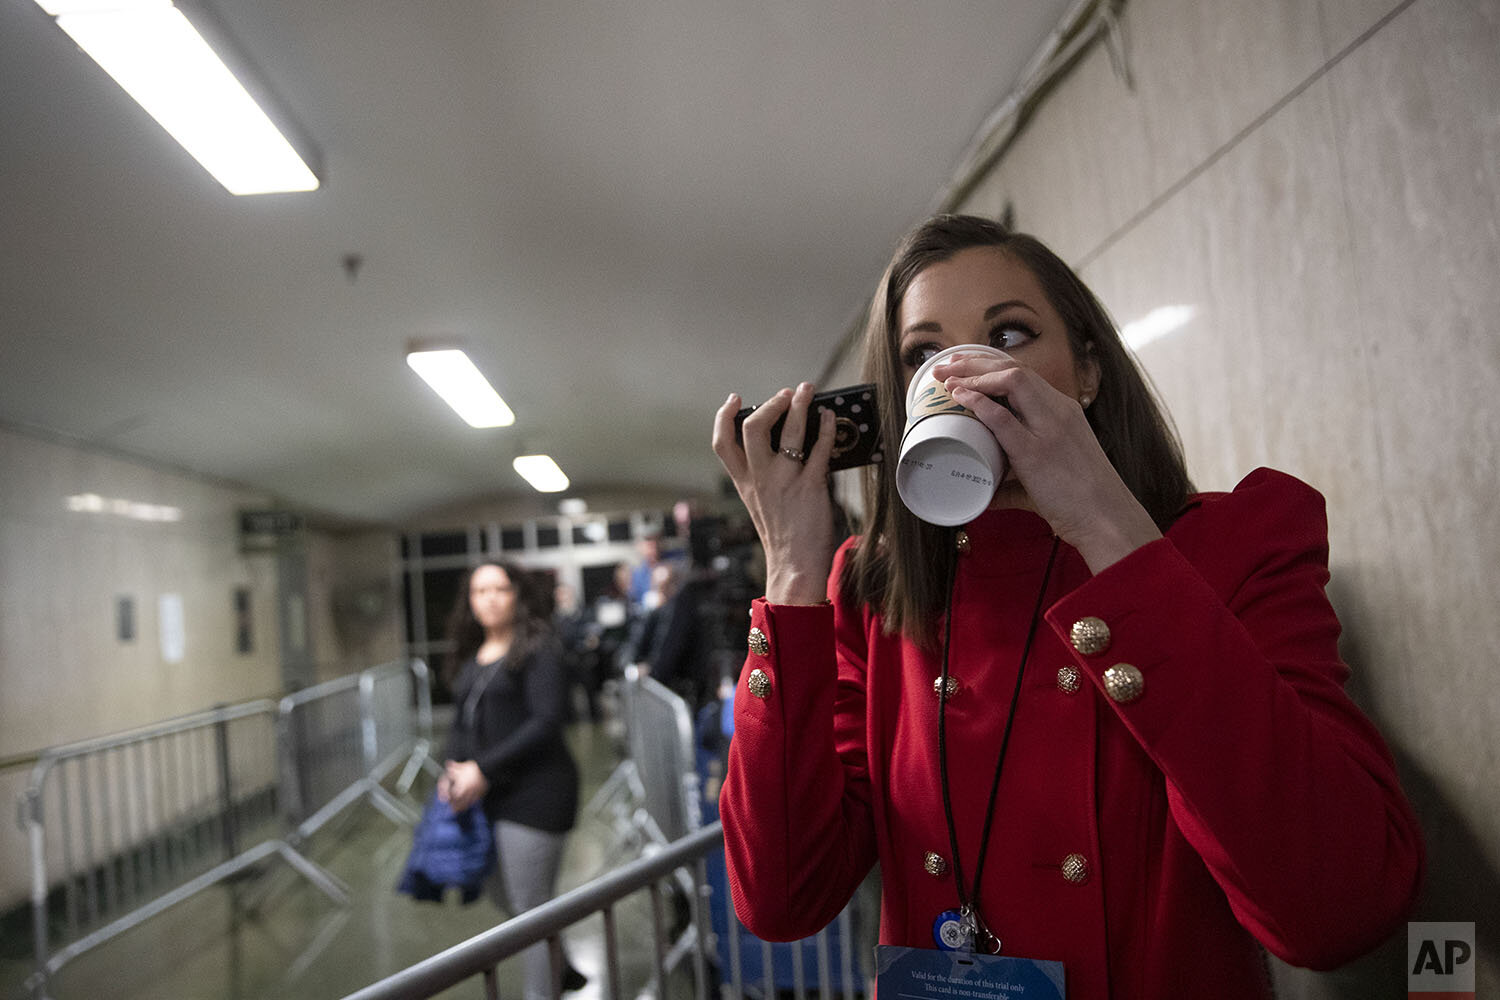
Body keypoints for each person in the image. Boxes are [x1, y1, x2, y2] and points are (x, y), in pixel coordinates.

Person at [709, 214, 1423, 998]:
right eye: (922, 355)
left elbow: (1344, 910)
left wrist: (1106, 527)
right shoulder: (871, 594)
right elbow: (781, 898)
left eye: (1009, 336)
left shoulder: (1238, 544)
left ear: (1087, 368)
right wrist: (792, 573)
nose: (961, 379)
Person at [440, 561, 585, 998]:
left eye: (499, 589)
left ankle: (544, 990)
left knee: (529, 913)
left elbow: (545, 722)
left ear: (517, 595)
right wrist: (452, 768)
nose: (489, 598)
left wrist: (481, 769)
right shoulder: (475, 655)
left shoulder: (538, 649)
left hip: (538, 793)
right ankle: (561, 968)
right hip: (492, 795)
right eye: (479, 591)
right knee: (502, 893)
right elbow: (463, 723)